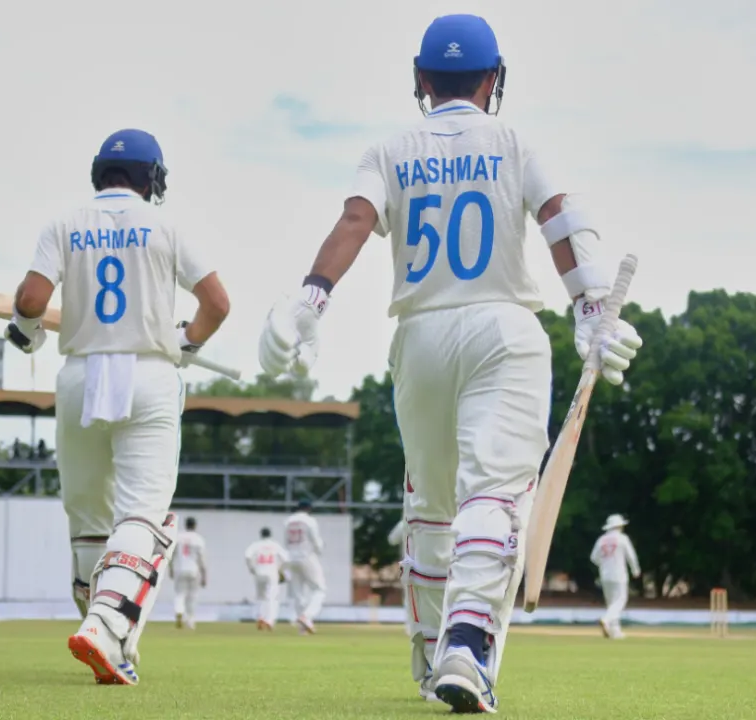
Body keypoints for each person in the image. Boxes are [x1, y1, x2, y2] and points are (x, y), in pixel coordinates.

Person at [255, 13, 643, 714]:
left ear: (421, 79)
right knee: (491, 495)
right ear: (494, 80)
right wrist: (589, 308)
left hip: (420, 335)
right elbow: (561, 216)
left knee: (432, 507)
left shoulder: (390, 148)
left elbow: (353, 222)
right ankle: (466, 648)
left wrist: (310, 301)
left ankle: (435, 643)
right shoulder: (516, 139)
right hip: (504, 329)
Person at [3, 128, 230, 685]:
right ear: (152, 178)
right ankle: (108, 626)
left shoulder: (64, 224)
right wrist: (187, 342)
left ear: (98, 173)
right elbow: (218, 304)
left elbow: (31, 301)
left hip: (80, 374)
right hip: (149, 374)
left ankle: (105, 633)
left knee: (87, 520)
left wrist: (26, 332)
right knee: (142, 516)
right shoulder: (168, 226)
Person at [590, 514, 641, 640]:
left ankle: (615, 631)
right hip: (619, 574)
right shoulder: (622, 538)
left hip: (605, 575)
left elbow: (593, 558)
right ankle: (606, 620)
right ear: (619, 526)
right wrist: (635, 569)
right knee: (620, 600)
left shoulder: (601, 539)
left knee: (611, 603)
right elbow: (631, 556)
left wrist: (604, 564)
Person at [283, 500, 326, 634]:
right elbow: (316, 541)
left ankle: (302, 629)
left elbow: (286, 541)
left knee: (298, 594)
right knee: (319, 589)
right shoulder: (310, 521)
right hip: (306, 556)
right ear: (308, 509)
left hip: (291, 558)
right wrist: (320, 550)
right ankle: (307, 616)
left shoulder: (288, 521)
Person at [244, 527, 290, 630]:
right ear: (270, 535)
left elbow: (247, 556)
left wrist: (251, 568)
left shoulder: (256, 545)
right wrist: (280, 568)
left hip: (259, 572)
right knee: (272, 597)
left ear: (261, 535)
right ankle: (269, 620)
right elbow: (286, 559)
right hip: (271, 572)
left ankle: (260, 616)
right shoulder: (275, 545)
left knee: (260, 597)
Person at [172, 517, 208, 630]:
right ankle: (190, 621)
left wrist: (170, 569)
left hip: (180, 569)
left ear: (185, 525)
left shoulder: (178, 537)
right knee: (192, 596)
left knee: (179, 594)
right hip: (194, 570)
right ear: (195, 526)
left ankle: (179, 611)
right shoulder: (198, 539)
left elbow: (172, 555)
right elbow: (201, 558)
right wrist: (204, 574)